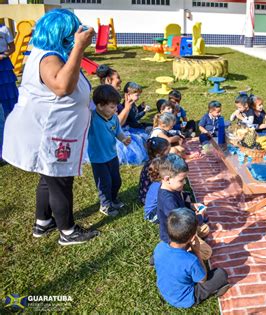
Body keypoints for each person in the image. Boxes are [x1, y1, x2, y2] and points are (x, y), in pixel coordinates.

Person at [2, 9, 99, 245]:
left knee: (49, 178)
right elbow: (62, 86)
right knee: (60, 179)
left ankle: (43, 222)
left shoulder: (48, 52)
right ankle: (68, 232)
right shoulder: (49, 57)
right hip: (49, 133)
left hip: (51, 130)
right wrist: (78, 47)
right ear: (63, 33)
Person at [153, 208, 229, 308]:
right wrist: (197, 252)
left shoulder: (159, 247)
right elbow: (202, 279)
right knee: (221, 274)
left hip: (165, 290)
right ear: (193, 237)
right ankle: (213, 291)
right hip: (185, 299)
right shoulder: (191, 260)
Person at [156, 154, 212, 259]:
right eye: (181, 180)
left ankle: (193, 238)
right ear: (167, 179)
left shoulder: (172, 188)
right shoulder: (168, 201)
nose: (184, 182)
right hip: (175, 237)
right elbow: (182, 224)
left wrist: (191, 205)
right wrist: (199, 217)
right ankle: (183, 250)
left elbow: (180, 204)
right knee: (207, 252)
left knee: (205, 228)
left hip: (182, 228)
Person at [88, 85, 131, 216]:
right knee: (104, 183)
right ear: (100, 106)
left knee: (116, 180)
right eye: (112, 107)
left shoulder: (113, 119)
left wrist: (123, 139)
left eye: (116, 106)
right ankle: (105, 205)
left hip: (112, 155)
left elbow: (118, 131)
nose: (116, 109)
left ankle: (113, 199)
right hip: (98, 159)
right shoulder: (92, 118)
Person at [138, 137, 170, 204]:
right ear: (159, 155)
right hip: (149, 199)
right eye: (168, 152)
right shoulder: (157, 167)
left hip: (144, 194)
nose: (169, 154)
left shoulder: (153, 162)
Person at [0, 23, 18, 117]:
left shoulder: (4, 29)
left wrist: (3, 55)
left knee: (8, 92)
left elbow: (12, 48)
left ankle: (11, 116)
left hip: (4, 65)